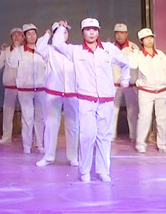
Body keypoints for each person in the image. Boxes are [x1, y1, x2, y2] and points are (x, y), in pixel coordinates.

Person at [53, 19, 130, 182]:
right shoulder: (76, 51)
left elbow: (125, 63)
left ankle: (103, 171)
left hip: (106, 99)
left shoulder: (108, 49)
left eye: (94, 29)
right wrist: (61, 28)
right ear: (83, 32)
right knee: (87, 136)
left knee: (104, 136)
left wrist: (125, 79)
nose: (91, 33)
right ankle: (85, 171)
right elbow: (57, 44)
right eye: (88, 30)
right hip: (86, 100)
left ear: (98, 31)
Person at [36, 22, 79, 167]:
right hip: (53, 92)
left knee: (73, 125)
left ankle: (73, 157)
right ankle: (48, 156)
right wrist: (47, 34)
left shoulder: (72, 50)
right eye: (60, 32)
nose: (63, 35)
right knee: (51, 125)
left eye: (65, 32)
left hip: (72, 93)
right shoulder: (49, 50)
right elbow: (39, 47)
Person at [129, 28, 166, 153]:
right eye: (146, 38)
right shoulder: (138, 55)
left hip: (162, 90)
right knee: (144, 117)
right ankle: (140, 143)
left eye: (151, 37)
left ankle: (163, 144)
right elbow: (132, 65)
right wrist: (133, 53)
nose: (149, 40)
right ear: (141, 41)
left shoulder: (160, 54)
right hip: (146, 91)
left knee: (163, 118)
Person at [7, 24, 46, 154]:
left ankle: (39, 144)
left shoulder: (42, 50)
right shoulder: (19, 51)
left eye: (34, 33)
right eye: (29, 34)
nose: (32, 36)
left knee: (40, 118)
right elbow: (11, 63)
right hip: (25, 90)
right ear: (25, 36)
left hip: (41, 88)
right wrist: (15, 48)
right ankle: (27, 145)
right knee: (27, 118)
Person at [0, 27, 24, 144]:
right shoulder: (6, 51)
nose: (16, 37)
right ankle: (6, 136)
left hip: (24, 87)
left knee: (26, 113)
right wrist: (2, 51)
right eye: (14, 35)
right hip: (10, 86)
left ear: (23, 38)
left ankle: (27, 137)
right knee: (7, 113)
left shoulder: (25, 50)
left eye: (19, 35)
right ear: (11, 37)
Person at [111, 23, 139, 142]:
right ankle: (111, 136)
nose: (119, 36)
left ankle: (134, 135)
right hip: (114, 84)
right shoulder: (110, 47)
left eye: (122, 33)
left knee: (132, 111)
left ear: (126, 34)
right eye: (117, 33)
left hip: (130, 84)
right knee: (112, 111)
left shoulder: (133, 47)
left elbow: (136, 66)